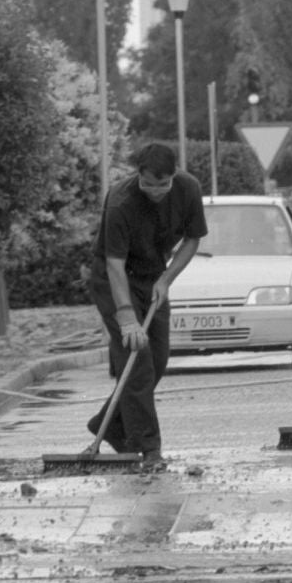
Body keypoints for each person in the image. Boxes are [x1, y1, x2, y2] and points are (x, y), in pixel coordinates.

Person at [85, 143, 207, 467]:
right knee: (137, 359)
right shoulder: (121, 199)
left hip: (153, 277)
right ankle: (147, 448)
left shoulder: (188, 189)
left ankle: (108, 425)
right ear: (138, 174)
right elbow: (113, 262)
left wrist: (166, 279)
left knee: (159, 358)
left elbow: (192, 240)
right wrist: (126, 319)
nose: (155, 191)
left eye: (162, 184)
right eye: (148, 183)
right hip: (115, 281)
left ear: (173, 175)